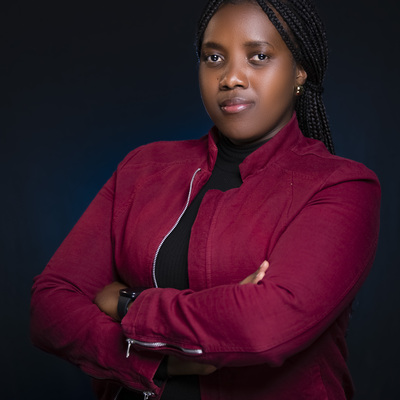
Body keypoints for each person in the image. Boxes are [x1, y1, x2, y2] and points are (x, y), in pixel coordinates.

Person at [30, 0, 381, 399]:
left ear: (299, 71)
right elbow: (49, 306)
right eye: (214, 57)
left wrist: (127, 303)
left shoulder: (341, 186)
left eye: (259, 56)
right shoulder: (143, 169)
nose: (230, 77)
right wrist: (155, 364)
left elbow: (263, 327)